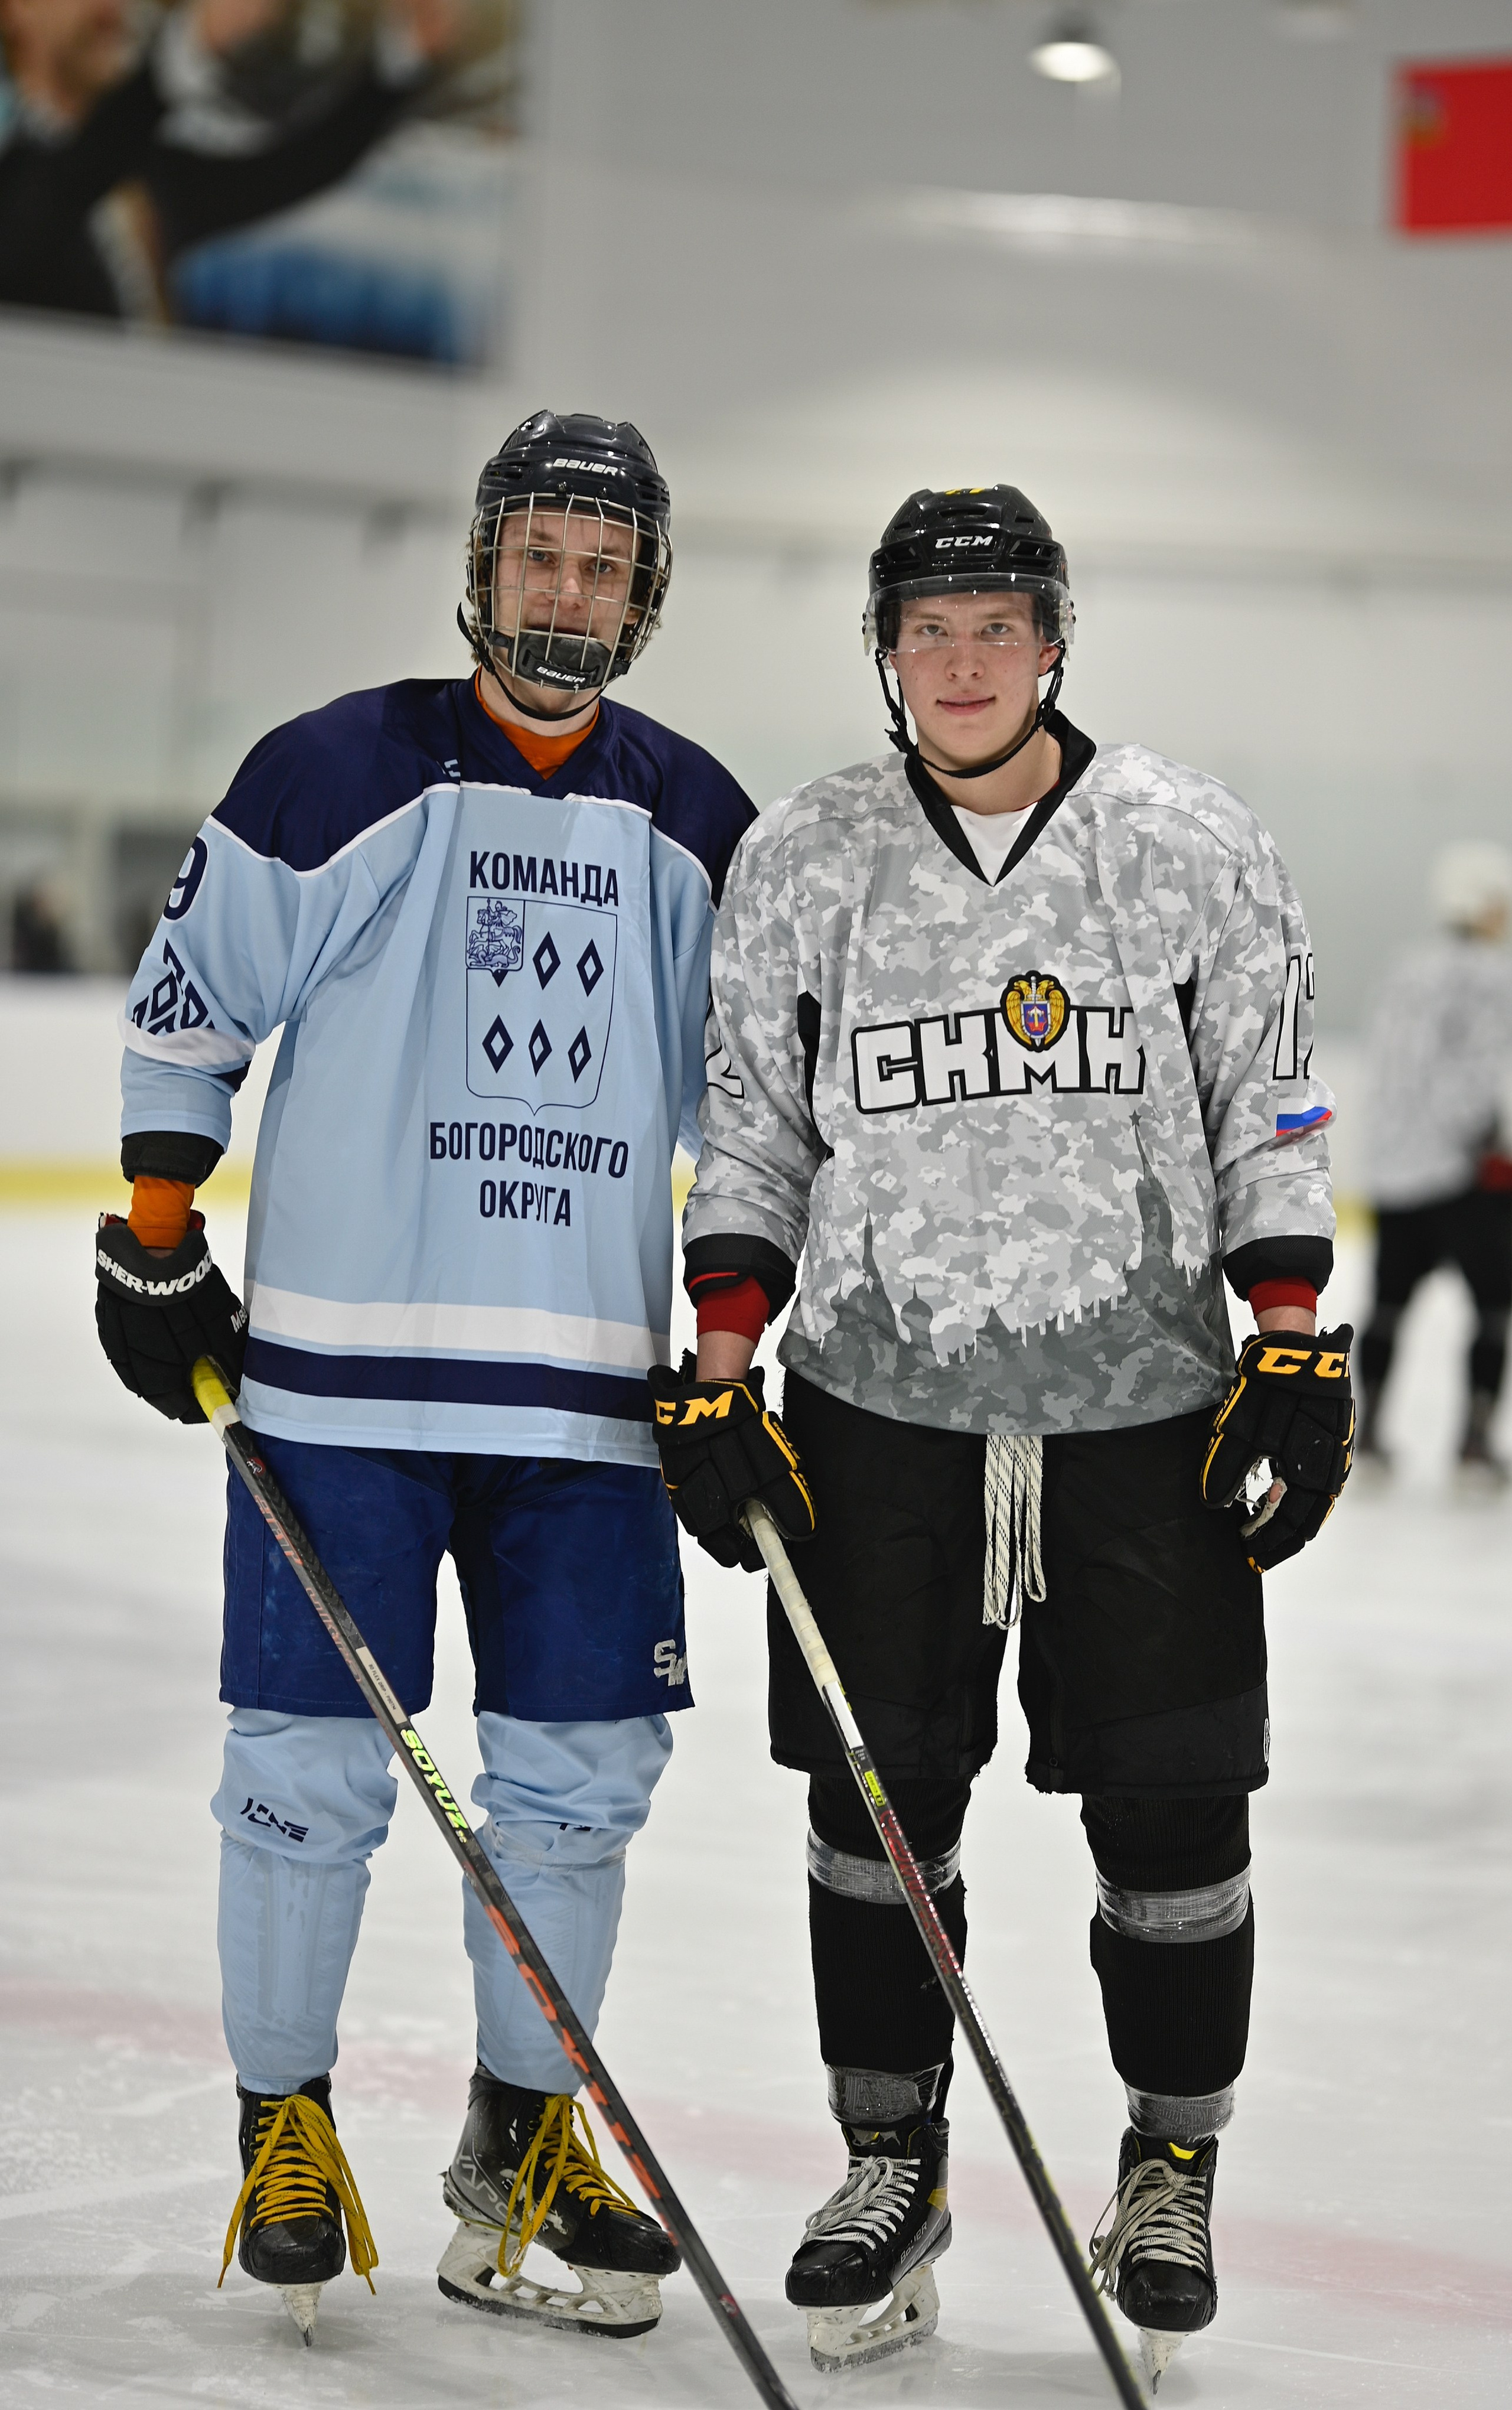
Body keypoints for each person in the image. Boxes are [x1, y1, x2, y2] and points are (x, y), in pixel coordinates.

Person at [649, 485, 1354, 2382]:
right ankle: (891, 2159)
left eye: (995, 628)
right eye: (926, 630)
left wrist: (1290, 1336)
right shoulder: (805, 854)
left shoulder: (1187, 842)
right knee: (876, 1804)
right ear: (885, 652)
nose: (961, 664)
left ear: (1051, 644)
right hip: (877, 1409)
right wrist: (720, 1358)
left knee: (1175, 1805)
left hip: (1142, 1409)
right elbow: (754, 1123)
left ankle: (1169, 2165)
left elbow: (1268, 1105)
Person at [93, 410, 755, 2345]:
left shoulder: (701, 822)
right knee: (304, 1778)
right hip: (341, 1393)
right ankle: (285, 2125)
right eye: (541, 553)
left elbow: (759, 1112)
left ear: (645, 595)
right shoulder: (335, 769)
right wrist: (157, 1231)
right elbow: (192, 1009)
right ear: (484, 563)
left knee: (580, 1790)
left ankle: (523, 2136)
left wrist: (731, 1349)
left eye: (603, 566)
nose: (568, 592)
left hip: (585, 1406)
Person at [0, 0, 460, 324]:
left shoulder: (144, 174)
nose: (112, 7)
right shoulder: (20, 185)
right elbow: (69, 182)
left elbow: (286, 174)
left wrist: (400, 60)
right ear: (14, 10)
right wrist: (194, 44)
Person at [1357, 839, 1512, 1486]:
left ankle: (1367, 1436)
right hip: (1464, 1174)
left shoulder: (1406, 970)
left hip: (1395, 1172)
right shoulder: (1492, 976)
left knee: (1388, 1306)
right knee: (1493, 1308)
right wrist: (1488, 1142)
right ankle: (1474, 1444)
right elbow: (1479, 1080)